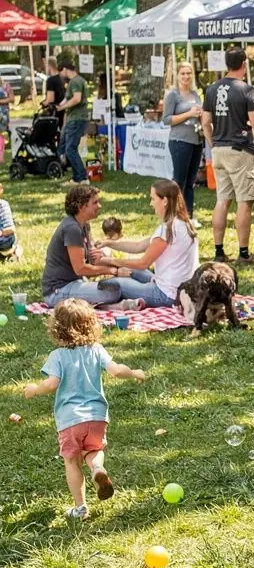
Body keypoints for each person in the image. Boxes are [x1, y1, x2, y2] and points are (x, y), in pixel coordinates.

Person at [23, 298, 145, 520]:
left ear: (57, 329)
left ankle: (80, 508)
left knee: (72, 461)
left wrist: (34, 390)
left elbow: (51, 384)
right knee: (93, 450)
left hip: (70, 420)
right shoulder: (96, 350)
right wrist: (135, 373)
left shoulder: (58, 356)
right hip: (97, 417)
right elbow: (117, 371)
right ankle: (97, 468)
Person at [201, 46, 254, 266]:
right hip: (240, 150)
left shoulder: (212, 89)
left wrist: (213, 143)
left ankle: (218, 251)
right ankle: (243, 253)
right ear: (244, 64)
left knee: (222, 200)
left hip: (219, 149)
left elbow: (205, 122)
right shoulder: (247, 90)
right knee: (244, 202)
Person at [94, 179, 200, 306]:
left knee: (113, 284)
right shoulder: (182, 223)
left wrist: (108, 261)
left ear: (165, 201)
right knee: (125, 270)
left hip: (167, 295)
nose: (151, 203)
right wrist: (108, 243)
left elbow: (142, 263)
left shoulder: (168, 229)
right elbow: (139, 246)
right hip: (178, 289)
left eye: (153, 199)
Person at [41, 184, 137, 309]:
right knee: (112, 291)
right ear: (81, 207)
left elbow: (92, 259)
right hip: (57, 291)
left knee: (114, 286)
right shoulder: (72, 229)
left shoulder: (84, 225)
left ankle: (111, 306)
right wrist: (113, 271)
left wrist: (101, 257)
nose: (99, 206)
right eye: (95, 203)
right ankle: (111, 307)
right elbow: (80, 269)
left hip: (75, 283)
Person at [162, 62, 204, 218]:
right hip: (180, 141)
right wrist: (189, 114)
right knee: (179, 180)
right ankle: (173, 214)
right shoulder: (173, 95)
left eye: (189, 73)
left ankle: (188, 216)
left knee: (191, 181)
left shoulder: (195, 94)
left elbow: (198, 116)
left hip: (196, 141)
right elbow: (166, 120)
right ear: (177, 75)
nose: (186, 76)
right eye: (183, 73)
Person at [58, 55, 89, 183]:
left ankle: (82, 177)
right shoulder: (78, 81)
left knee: (70, 149)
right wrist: (59, 105)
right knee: (68, 148)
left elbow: (76, 99)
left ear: (65, 69)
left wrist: (62, 107)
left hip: (77, 118)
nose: (61, 75)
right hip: (75, 118)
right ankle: (77, 177)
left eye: (61, 72)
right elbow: (68, 98)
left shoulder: (75, 81)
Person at [0, 181, 20, 261]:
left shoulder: (2, 206)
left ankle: (15, 251)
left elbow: (11, 229)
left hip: (5, 239)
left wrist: (1, 232)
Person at [44, 57, 66, 125]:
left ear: (49, 66)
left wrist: (44, 103)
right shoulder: (62, 78)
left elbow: (50, 99)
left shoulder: (51, 80)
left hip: (55, 111)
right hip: (63, 108)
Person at [0, 73, 12, 164]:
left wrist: (1, 101)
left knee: (1, 134)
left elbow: (12, 99)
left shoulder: (6, 85)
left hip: (3, 114)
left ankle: (1, 156)